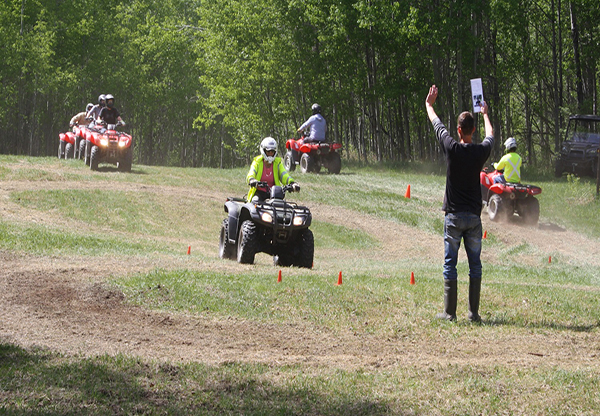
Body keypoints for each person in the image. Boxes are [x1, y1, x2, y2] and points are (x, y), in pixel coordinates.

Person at [425, 84, 494, 322]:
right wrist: (485, 114)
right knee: (475, 265)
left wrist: (429, 105)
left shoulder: (451, 148)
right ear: (472, 130)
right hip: (474, 218)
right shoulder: (480, 152)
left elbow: (437, 125)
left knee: (449, 264)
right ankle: (473, 313)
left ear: (458, 129)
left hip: (453, 217)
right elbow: (491, 136)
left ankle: (449, 313)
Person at [247, 137, 299, 201]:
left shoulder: (277, 163)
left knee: (282, 208)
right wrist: (252, 180)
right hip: (259, 193)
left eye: (272, 152)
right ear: (263, 151)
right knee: (255, 202)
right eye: (268, 151)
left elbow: (284, 175)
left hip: (274, 194)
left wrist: (292, 183)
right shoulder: (257, 162)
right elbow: (252, 172)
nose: (270, 154)